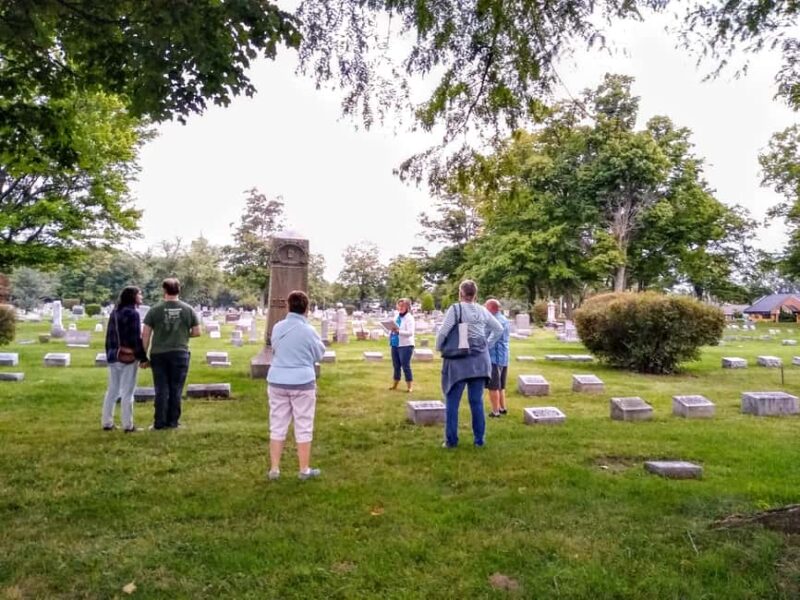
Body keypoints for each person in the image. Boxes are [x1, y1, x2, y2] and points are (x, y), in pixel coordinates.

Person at [435, 280, 503, 448]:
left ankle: (451, 441)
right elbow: (499, 329)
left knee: (452, 401)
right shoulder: (482, 310)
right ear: (475, 294)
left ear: (461, 293)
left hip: (459, 360)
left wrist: (438, 347)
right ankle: (479, 440)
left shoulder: (456, 309)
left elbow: (444, 331)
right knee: (476, 401)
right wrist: (487, 343)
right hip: (480, 361)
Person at [267, 290, 326, 481]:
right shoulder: (309, 331)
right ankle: (303, 469)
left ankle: (275, 469)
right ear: (306, 308)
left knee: (277, 424)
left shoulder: (277, 328)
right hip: (302, 381)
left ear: (288, 306)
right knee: (304, 424)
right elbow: (319, 355)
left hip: (277, 379)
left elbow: (274, 347)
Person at [142, 278, 200, 430]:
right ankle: (173, 422)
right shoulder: (188, 309)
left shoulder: (155, 310)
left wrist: (143, 356)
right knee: (176, 389)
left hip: (159, 354)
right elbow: (197, 332)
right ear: (179, 290)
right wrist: (183, 335)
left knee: (161, 388)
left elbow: (146, 335)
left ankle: (159, 422)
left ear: (164, 290)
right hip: (180, 353)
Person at [101, 286, 148, 432]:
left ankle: (106, 422)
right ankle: (128, 425)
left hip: (113, 355)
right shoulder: (133, 314)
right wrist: (142, 358)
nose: (141, 297)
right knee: (128, 391)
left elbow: (109, 336)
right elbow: (135, 338)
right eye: (139, 294)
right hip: (127, 357)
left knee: (112, 390)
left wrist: (110, 353)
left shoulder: (115, 312)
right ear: (132, 296)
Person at [484, 298, 510, 417]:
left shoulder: (494, 320)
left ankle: (495, 412)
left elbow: (490, 338)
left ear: (491, 308)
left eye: (486, 307)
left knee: (493, 386)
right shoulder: (503, 318)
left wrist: (482, 346)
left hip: (495, 357)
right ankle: (502, 408)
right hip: (503, 356)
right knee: (500, 386)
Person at [388, 297, 415, 393]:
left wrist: (399, 331)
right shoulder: (396, 316)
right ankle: (395, 384)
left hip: (406, 345)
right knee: (396, 365)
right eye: (399, 305)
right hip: (395, 344)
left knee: (405, 365)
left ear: (407, 307)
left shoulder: (409, 318)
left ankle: (409, 386)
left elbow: (410, 333)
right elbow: (392, 328)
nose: (400, 307)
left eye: (403, 306)